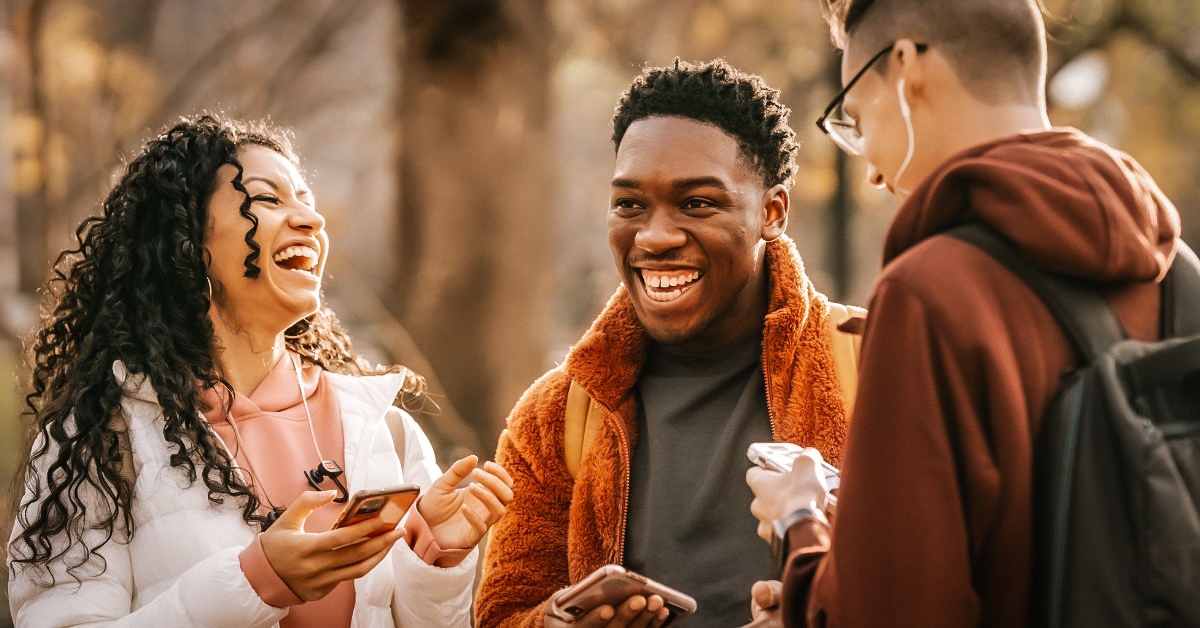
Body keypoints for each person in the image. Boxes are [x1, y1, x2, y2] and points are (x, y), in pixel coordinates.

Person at [745, 0, 1183, 626]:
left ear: (904, 67)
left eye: (859, 118)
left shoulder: (928, 295)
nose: (869, 169)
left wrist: (799, 525)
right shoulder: (1176, 269)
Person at [6, 113, 514, 627]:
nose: (312, 222)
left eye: (308, 204)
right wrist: (253, 584)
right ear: (187, 243)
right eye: (269, 200)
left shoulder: (385, 429)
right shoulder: (100, 440)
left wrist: (434, 557)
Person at [476, 59, 861, 628]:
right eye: (630, 204)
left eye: (697, 203)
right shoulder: (555, 418)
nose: (654, 237)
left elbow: (964, 585)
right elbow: (503, 613)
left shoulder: (877, 364)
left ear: (772, 213)